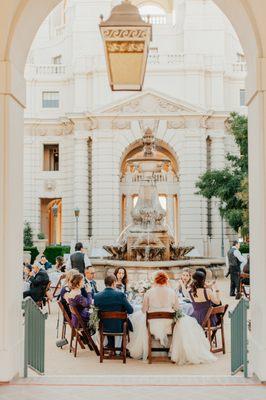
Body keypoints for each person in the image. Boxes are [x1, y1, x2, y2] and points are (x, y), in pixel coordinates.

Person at [127, 271, 216, 365]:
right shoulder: (171, 292)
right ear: (166, 280)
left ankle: (145, 350)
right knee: (187, 323)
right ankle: (175, 351)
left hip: (152, 326)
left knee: (137, 319)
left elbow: (144, 310)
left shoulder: (149, 292)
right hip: (169, 326)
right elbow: (178, 309)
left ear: (155, 281)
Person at [94, 274, 133, 350]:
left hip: (104, 326)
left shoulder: (97, 296)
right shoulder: (120, 295)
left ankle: (111, 347)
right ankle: (120, 349)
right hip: (119, 327)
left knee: (110, 321)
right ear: (113, 283)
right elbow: (130, 310)